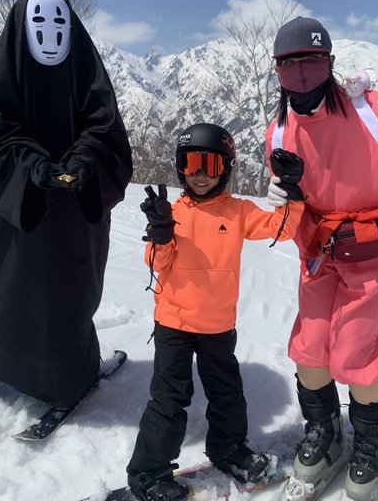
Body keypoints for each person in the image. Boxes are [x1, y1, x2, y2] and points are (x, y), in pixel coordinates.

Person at [265, 17, 378, 501]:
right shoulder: (278, 132)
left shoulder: (374, 113)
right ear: (278, 71)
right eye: (289, 65)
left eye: (311, 62)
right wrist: (284, 200)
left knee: (355, 354)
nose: (301, 74)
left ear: (330, 63)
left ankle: (372, 442)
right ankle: (326, 432)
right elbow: (293, 206)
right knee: (309, 348)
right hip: (319, 251)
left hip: (372, 250)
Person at [0, 0, 132, 410]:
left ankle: (67, 372)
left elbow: (106, 132)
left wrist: (84, 161)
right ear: (21, 29)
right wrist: (32, 168)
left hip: (71, 216)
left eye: (59, 23)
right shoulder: (6, 78)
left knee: (64, 295)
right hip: (12, 213)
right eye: (39, 23)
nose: (50, 33)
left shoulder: (85, 74)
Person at [126, 123, 305, 501]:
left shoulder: (238, 211)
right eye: (192, 164)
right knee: (169, 398)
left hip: (218, 326)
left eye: (210, 164)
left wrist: (291, 194)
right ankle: (148, 473)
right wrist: (160, 233)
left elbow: (281, 228)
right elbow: (157, 263)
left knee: (227, 394)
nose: (201, 174)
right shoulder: (172, 211)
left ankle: (227, 447)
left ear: (226, 167)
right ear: (181, 168)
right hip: (174, 324)